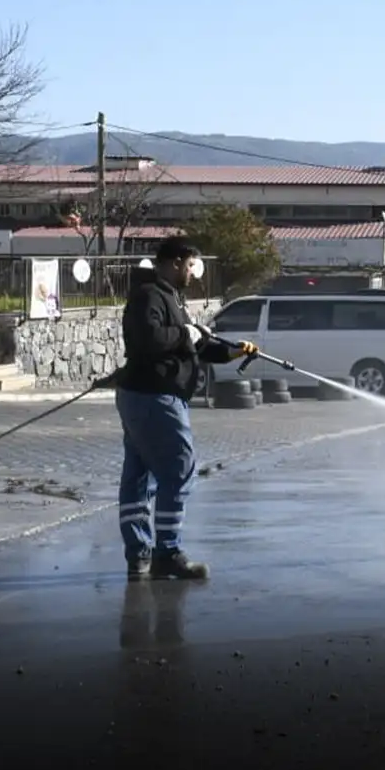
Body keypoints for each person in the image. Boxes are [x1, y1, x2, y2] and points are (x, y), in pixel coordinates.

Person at [113, 237, 257, 581]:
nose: (193, 273)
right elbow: (150, 339)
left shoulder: (167, 296)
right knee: (179, 469)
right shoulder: (150, 295)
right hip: (155, 397)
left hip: (146, 395)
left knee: (139, 475)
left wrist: (232, 352)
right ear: (176, 262)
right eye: (191, 265)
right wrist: (185, 333)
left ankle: (140, 555)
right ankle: (167, 552)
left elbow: (189, 345)